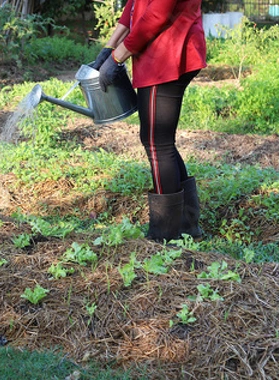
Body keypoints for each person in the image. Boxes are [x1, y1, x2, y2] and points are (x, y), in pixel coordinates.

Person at [91, 0, 207, 242]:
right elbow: (133, 6)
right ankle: (187, 225)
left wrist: (118, 57)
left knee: (157, 143)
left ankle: (166, 234)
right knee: (159, 141)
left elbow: (157, 14)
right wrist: (109, 48)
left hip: (168, 55)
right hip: (161, 52)